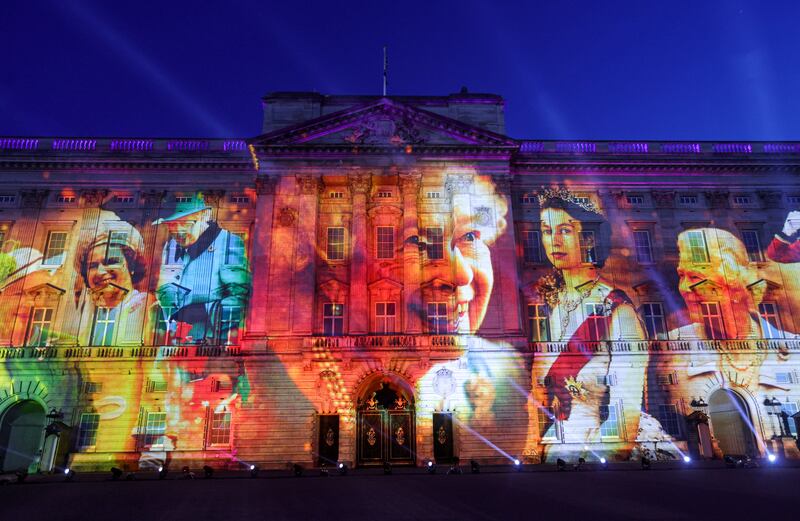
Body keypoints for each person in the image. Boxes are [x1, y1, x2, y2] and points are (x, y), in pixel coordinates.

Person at [530, 187, 648, 461]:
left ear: (589, 239)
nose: (553, 241)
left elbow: (625, 413)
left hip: (592, 448)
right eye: (547, 231)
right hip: (556, 443)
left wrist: (590, 461)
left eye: (565, 231)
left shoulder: (618, 310)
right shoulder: (552, 304)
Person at [153, 193, 250, 345]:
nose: (178, 231)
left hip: (210, 346)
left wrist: (203, 311)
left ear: (205, 215)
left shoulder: (229, 242)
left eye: (185, 222)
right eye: (171, 225)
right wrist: (174, 313)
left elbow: (239, 297)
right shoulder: (171, 245)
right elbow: (164, 285)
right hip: (176, 344)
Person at [74, 211, 149, 345]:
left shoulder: (147, 310)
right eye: (92, 265)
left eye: (111, 261)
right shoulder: (81, 317)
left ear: (131, 266)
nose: (101, 271)